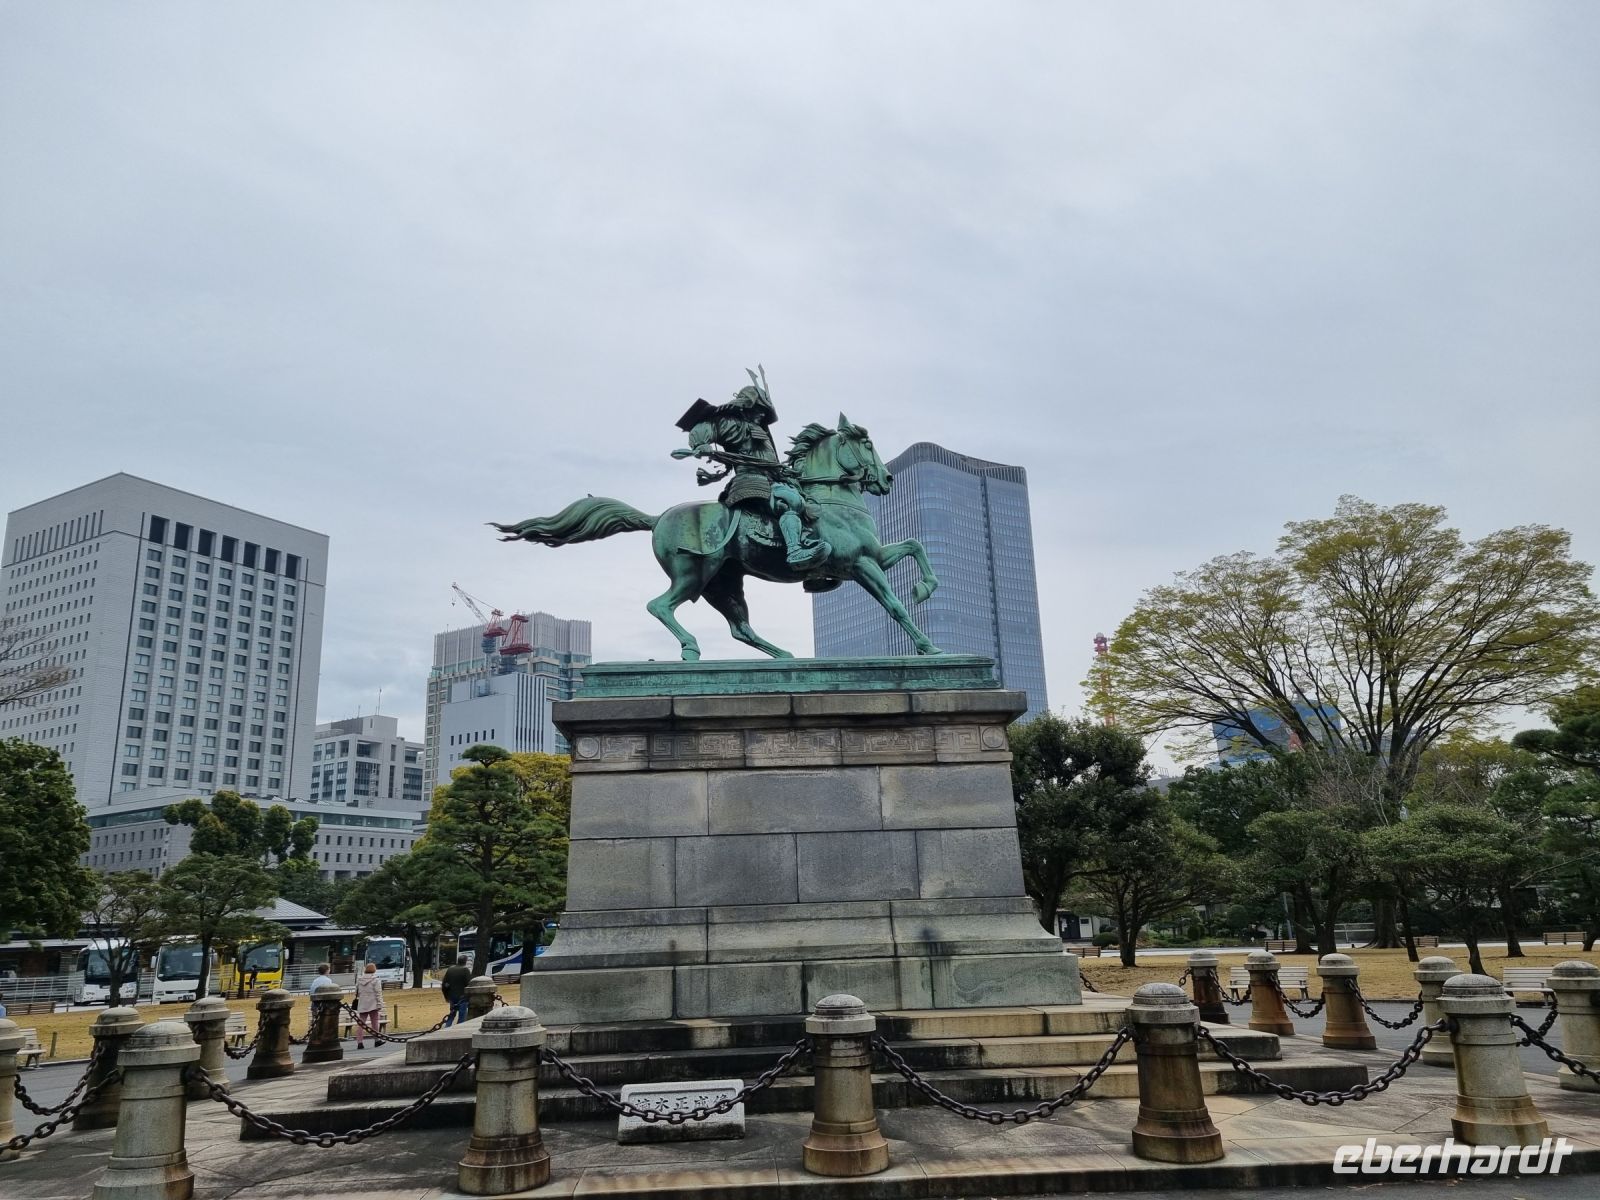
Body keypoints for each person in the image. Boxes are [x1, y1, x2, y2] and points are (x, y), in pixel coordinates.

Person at [675, 367, 830, 568]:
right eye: (759, 409)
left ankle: (812, 554)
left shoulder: (761, 429)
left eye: (763, 412)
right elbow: (703, 428)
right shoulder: (730, 423)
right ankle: (795, 551)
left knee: (810, 503)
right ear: (748, 406)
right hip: (750, 480)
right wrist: (700, 445)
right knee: (789, 501)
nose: (761, 414)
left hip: (774, 479)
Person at [352, 962, 385, 1049]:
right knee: (375, 1022)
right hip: (373, 1003)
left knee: (361, 1023)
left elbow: (357, 992)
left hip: (362, 1003)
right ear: (374, 970)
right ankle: (377, 1040)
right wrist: (380, 1004)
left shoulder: (359, 980)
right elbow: (378, 993)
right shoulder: (375, 980)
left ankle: (360, 1042)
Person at [440, 954, 472, 1026]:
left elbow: (444, 984)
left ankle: (447, 1027)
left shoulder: (450, 969)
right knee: (462, 1015)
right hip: (462, 996)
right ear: (465, 961)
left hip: (452, 996)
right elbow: (469, 984)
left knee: (452, 1014)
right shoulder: (465, 970)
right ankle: (459, 1029)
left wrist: (446, 996)